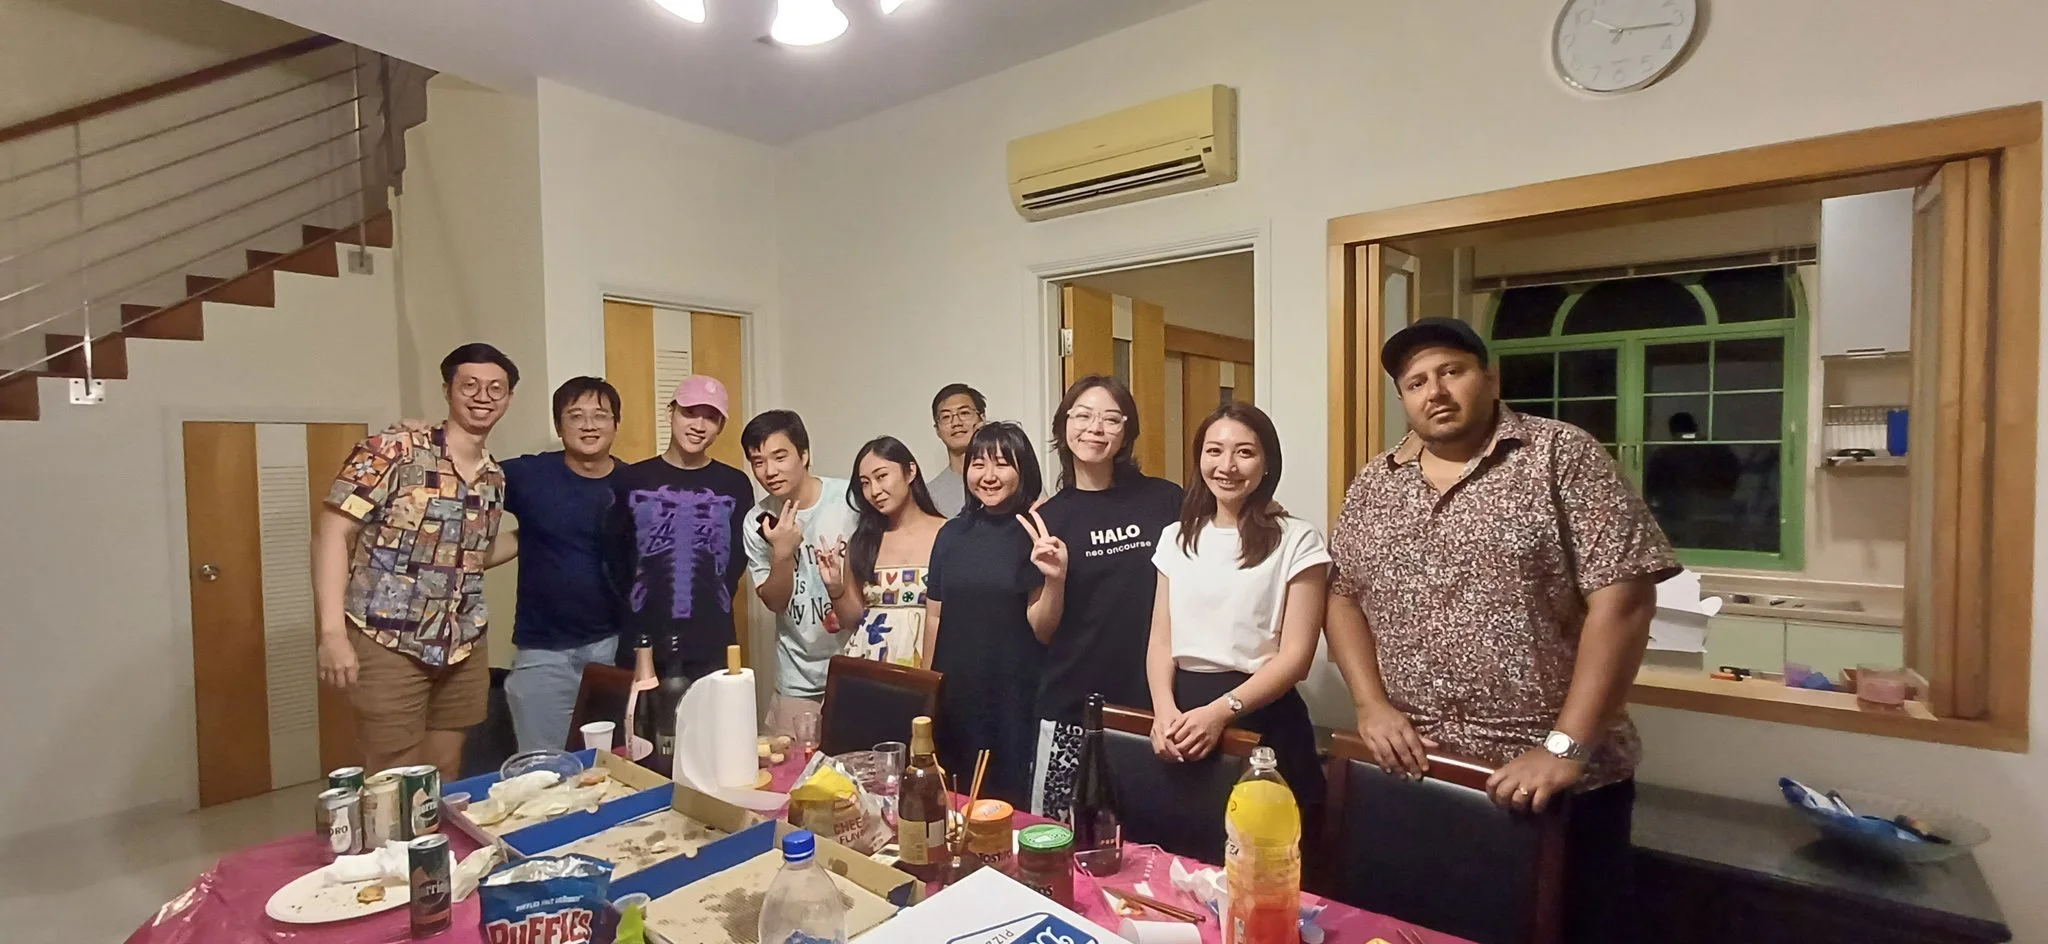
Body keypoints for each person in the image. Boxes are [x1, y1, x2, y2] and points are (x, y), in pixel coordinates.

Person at [1322, 317, 1676, 944]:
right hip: (1418, 773)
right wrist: (1371, 705)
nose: (1434, 392)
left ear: (1490, 377)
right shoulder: (1377, 482)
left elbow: (1623, 602)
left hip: (1549, 784)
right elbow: (1342, 596)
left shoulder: (1560, 455)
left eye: (1451, 372)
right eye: (1415, 382)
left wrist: (1565, 748)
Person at [313, 343, 519, 780]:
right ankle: (388, 850)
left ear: (508, 398)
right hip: (389, 638)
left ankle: (432, 849)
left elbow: (468, 557)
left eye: (495, 388)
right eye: (470, 385)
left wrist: (532, 537)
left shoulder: (493, 476)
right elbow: (333, 532)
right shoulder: (394, 449)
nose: (483, 396)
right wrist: (332, 633)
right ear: (448, 390)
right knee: (393, 773)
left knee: (446, 765)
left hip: (461, 639)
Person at [1146, 402, 1330, 810]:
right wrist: (1162, 711)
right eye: (1214, 451)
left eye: (1244, 452)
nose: (1226, 465)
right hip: (1182, 714)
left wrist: (1219, 713)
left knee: (1266, 855)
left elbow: (1297, 657)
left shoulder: (1298, 539)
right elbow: (1161, 640)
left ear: (1267, 463)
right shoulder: (1176, 537)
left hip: (1261, 714)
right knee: (1180, 852)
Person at [1027, 376, 1182, 818]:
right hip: (1072, 703)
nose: (1095, 428)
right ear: (1064, 426)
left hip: (1154, 700)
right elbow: (1041, 630)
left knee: (1151, 839)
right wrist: (1055, 578)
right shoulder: (1047, 518)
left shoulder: (1165, 500)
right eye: (1083, 416)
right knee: (1059, 838)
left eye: (1111, 419)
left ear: (1126, 433)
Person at [925, 422, 1066, 806]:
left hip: (1014, 696)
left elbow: (1043, 628)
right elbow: (935, 616)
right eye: (978, 464)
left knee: (1010, 804)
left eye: (1002, 464)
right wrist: (926, 691)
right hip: (955, 694)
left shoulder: (1037, 532)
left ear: (1023, 472)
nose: (988, 476)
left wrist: (1055, 580)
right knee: (953, 801)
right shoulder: (950, 534)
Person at [498, 377, 629, 753]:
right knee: (544, 769)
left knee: (612, 766)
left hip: (614, 649)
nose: (589, 425)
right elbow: (463, 476)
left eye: (600, 416)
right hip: (543, 653)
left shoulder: (634, 483)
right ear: (560, 426)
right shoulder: (527, 476)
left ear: (615, 424)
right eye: (576, 416)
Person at [613, 376, 754, 708]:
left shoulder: (735, 483)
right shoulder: (632, 479)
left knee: (713, 742)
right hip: (642, 640)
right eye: (690, 412)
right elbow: (614, 557)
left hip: (711, 641)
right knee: (639, 744)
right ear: (671, 412)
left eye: (711, 416)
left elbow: (736, 560)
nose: (699, 425)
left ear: (720, 426)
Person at [741, 410, 859, 737]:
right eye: (758, 461)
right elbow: (775, 602)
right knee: (789, 778)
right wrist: (783, 554)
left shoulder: (850, 501)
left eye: (780, 456)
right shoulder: (757, 520)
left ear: (804, 455)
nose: (769, 471)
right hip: (797, 677)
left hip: (856, 666)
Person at [820, 436, 947, 666]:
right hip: (870, 667)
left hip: (930, 665)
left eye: (881, 477)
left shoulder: (947, 534)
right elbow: (853, 620)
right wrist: (836, 589)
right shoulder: (863, 541)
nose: (874, 491)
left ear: (910, 472)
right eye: (865, 483)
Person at [925, 383, 986, 517]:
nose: (956, 423)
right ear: (937, 429)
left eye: (964, 413)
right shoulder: (928, 495)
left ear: (982, 419)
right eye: (946, 417)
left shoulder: (1009, 479)